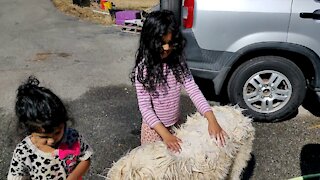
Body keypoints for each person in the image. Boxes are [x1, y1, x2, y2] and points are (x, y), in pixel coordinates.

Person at [130, 10, 227, 153]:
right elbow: (145, 108)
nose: (167, 48)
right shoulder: (143, 70)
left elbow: (193, 90)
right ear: (150, 41)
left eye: (171, 43)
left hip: (176, 125)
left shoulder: (178, 63)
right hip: (154, 131)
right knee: (155, 167)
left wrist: (211, 119)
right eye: (162, 43)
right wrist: (166, 135)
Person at [8, 76, 93, 180]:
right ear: (29, 131)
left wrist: (73, 177)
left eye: (57, 132)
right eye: (44, 137)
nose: (52, 140)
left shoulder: (72, 137)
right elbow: (16, 177)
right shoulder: (24, 152)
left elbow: (86, 159)